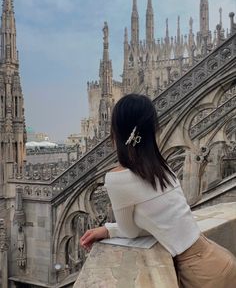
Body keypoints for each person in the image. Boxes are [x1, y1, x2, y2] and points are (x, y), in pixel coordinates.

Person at [80, 94, 236, 287]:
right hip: (217, 257)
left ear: (117, 132)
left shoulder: (117, 178)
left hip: (201, 272)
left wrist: (108, 230)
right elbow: (160, 223)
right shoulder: (162, 168)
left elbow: (130, 231)